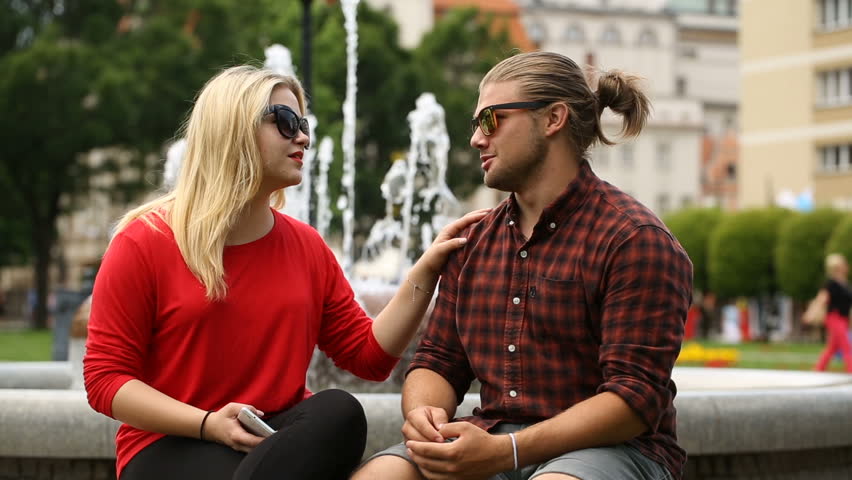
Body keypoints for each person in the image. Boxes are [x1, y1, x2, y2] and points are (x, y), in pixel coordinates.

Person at [83, 65, 487, 480]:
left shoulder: (306, 246)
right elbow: (105, 379)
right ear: (233, 129)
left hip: (274, 444)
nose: (304, 138)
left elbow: (369, 358)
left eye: (303, 124)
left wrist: (427, 269)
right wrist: (208, 423)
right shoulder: (144, 241)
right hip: (172, 446)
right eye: (286, 122)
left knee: (339, 411)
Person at [354, 51, 693, 480]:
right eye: (475, 124)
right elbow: (438, 361)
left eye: (491, 120)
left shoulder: (634, 240)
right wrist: (425, 415)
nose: (477, 139)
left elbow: (633, 400)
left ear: (553, 119)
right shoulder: (472, 241)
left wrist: (507, 451)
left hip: (613, 450)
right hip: (493, 439)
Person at [814, 253, 852, 372]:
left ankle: (818, 369)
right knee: (846, 345)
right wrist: (812, 313)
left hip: (843, 319)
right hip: (834, 317)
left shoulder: (845, 284)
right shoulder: (831, 284)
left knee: (833, 347)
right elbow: (822, 299)